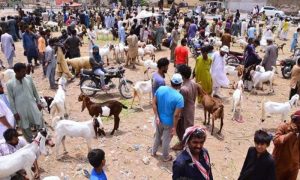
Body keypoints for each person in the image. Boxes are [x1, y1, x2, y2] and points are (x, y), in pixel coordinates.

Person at [6, 63, 43, 142]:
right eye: (23, 71)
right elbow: (11, 100)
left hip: (32, 106)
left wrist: (38, 102)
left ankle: (42, 139)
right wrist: (15, 113)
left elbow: (35, 91)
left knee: (39, 121)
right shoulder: (9, 84)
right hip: (20, 110)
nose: (25, 73)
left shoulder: (28, 78)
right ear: (16, 72)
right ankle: (31, 142)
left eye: (25, 71)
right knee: (25, 126)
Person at [152, 73, 184, 162]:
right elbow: (176, 115)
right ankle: (165, 156)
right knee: (166, 140)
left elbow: (153, 103)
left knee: (157, 136)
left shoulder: (161, 89)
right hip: (169, 123)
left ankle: (153, 152)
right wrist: (174, 127)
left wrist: (157, 116)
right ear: (180, 84)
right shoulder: (179, 98)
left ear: (171, 82)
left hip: (159, 120)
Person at [173, 65, 202, 150]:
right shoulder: (193, 83)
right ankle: (184, 144)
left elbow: (180, 104)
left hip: (185, 111)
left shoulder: (184, 89)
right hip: (191, 108)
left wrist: (177, 115)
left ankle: (184, 145)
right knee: (188, 128)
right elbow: (194, 97)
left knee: (182, 129)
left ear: (182, 75)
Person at [272, 110, 300, 180]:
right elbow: (276, 141)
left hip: (294, 166)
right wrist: (290, 133)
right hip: (280, 164)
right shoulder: (284, 127)